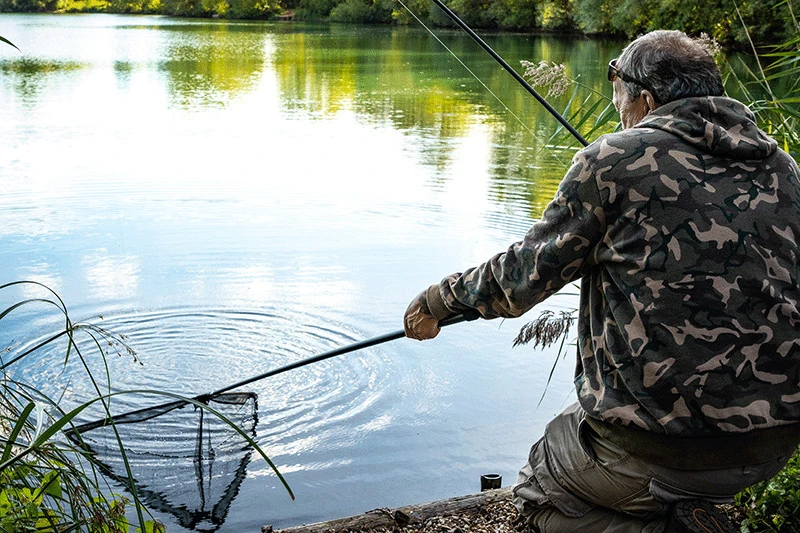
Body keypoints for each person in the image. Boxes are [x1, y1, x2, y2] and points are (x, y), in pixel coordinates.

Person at [403, 30, 800, 533]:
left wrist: (438, 301)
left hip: (661, 451)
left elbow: (520, 277)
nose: (616, 114)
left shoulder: (612, 161)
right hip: (773, 443)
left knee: (541, 481)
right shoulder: (782, 166)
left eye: (618, 97)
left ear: (647, 100)